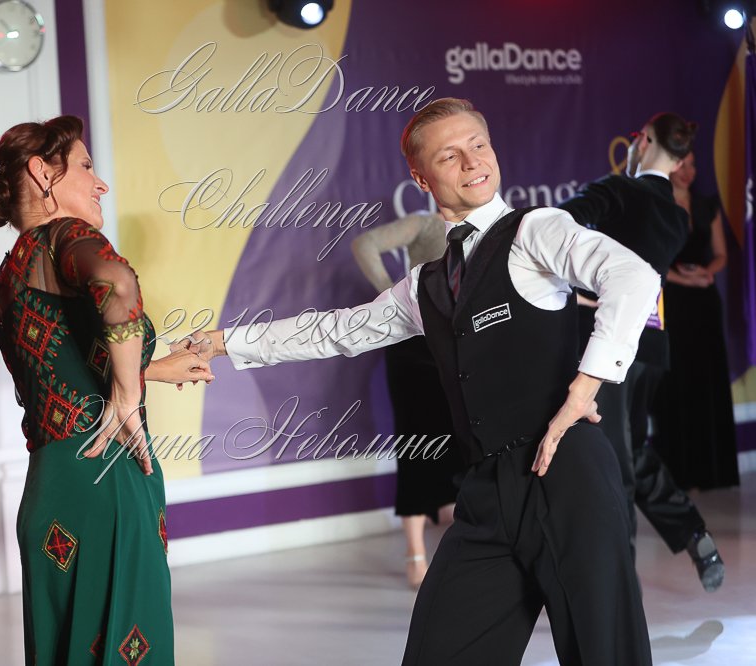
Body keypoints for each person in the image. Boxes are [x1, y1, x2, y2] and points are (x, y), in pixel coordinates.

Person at [179, 98, 657, 665]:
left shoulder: (536, 230)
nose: (472, 162)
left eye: (478, 145)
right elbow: (336, 331)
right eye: (449, 155)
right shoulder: (423, 285)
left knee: (606, 653)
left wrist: (584, 389)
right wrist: (223, 342)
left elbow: (633, 276)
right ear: (421, 178)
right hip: (486, 489)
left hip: (568, 477)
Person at [0, 115, 212, 665]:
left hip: (53, 488)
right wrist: (128, 398)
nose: (100, 183)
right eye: (85, 166)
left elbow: (59, 372)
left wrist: (152, 370)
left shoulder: (9, 276)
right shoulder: (66, 235)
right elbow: (117, 283)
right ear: (43, 173)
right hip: (108, 477)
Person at [559, 116, 725, 592]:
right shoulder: (677, 215)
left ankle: (619, 589)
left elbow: (554, 228)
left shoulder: (618, 189)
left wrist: (575, 289)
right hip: (650, 343)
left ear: (644, 141)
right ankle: (692, 531)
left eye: (636, 139)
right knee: (628, 449)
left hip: (607, 343)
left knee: (612, 459)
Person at [351, 213, 463, 587]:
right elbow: (364, 244)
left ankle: (462, 543)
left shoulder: (491, 227)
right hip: (415, 347)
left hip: (461, 343)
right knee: (417, 443)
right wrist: (394, 300)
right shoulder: (428, 224)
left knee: (465, 442)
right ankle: (415, 552)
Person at [652, 151, 740, 490]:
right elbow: (653, 259)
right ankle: (681, 472)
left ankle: (712, 471)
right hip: (672, 301)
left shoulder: (706, 206)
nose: (688, 171)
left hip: (704, 302)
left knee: (707, 378)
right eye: (681, 164)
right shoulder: (658, 205)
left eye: (692, 164)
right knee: (677, 379)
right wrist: (683, 278)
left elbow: (721, 254)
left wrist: (706, 273)